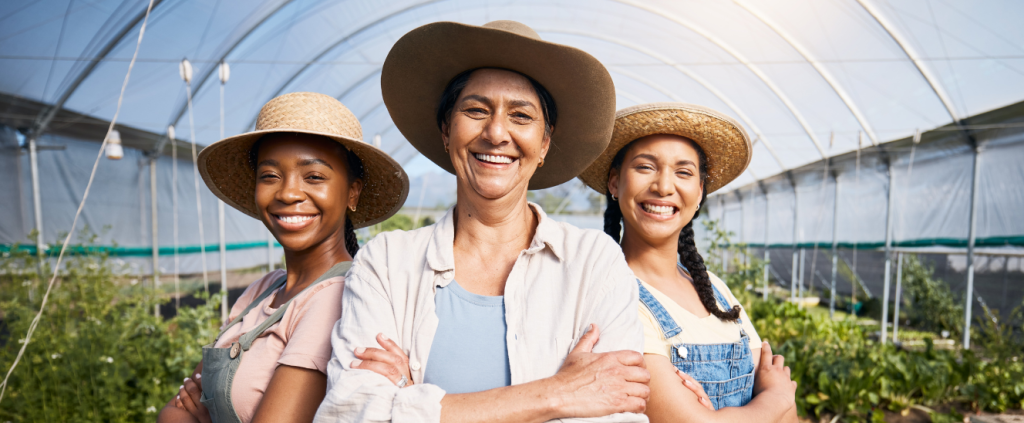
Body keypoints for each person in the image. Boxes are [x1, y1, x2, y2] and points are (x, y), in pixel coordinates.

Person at [314, 20, 652, 423]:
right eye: (476, 110)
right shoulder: (386, 263)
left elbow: (619, 415)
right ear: (446, 130)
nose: (495, 133)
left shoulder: (593, 263)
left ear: (544, 143)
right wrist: (556, 394)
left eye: (521, 116)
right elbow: (347, 415)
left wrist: (407, 400)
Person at [157, 92, 409, 423]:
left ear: (352, 192)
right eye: (270, 176)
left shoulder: (336, 296)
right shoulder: (265, 287)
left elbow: (193, 407)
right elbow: (173, 413)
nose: (288, 193)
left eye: (314, 176)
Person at [578, 102, 798, 422]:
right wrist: (775, 398)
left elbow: (790, 419)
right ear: (615, 183)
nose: (664, 187)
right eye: (645, 167)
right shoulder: (613, 297)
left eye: (683, 172)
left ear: (699, 193)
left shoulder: (714, 288)